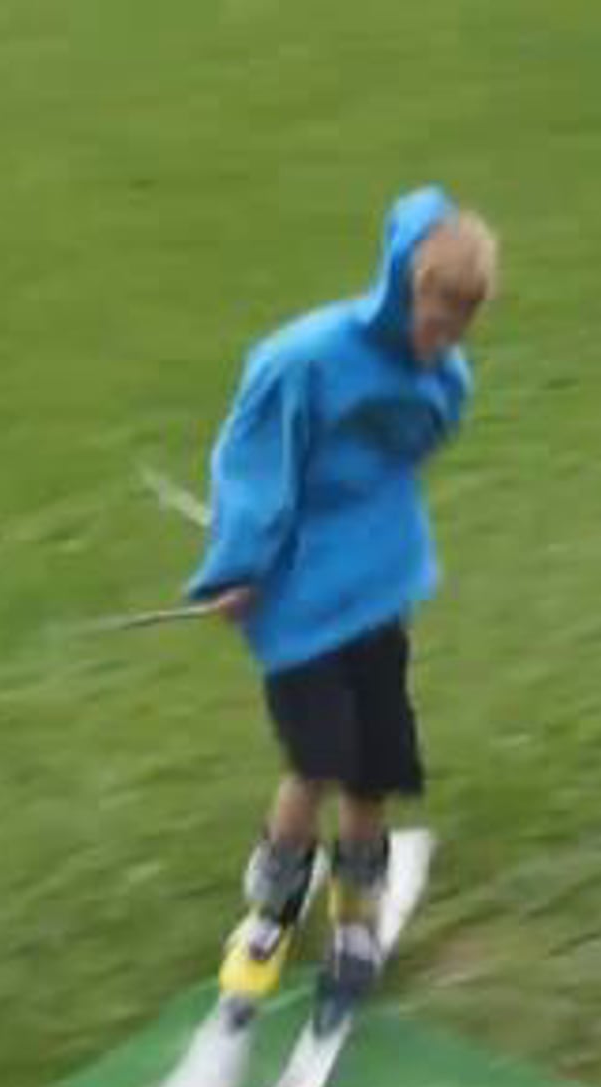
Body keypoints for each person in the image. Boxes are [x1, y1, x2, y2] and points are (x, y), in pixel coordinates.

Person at [182, 185, 498, 1018]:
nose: (442, 345)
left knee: (375, 761)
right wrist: (236, 565)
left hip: (378, 584)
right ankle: (272, 906)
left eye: (459, 331)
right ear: (406, 289)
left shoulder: (440, 374)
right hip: (299, 598)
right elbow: (254, 462)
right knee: (316, 759)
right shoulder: (305, 359)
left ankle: (357, 914)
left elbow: (431, 431)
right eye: (434, 324)